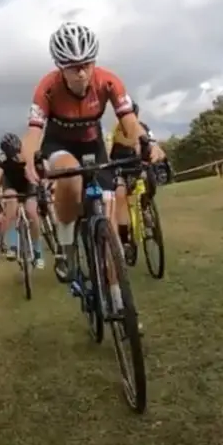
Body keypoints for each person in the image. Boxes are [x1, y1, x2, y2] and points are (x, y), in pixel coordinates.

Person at [20, 21, 166, 295]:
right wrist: (28, 159)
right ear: (60, 67)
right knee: (71, 176)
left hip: (93, 144)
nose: (81, 73)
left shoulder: (108, 81)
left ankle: (118, 301)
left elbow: (129, 122)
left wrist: (146, 142)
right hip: (59, 144)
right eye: (72, 67)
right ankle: (67, 249)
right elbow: (33, 133)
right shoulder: (47, 88)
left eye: (87, 64)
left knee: (108, 224)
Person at [0, 133, 45, 270]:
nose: (17, 156)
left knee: (31, 211)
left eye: (18, 152)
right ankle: (13, 244)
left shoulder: (27, 153)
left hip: (28, 184)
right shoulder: (2, 159)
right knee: (11, 203)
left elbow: (34, 173)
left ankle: (38, 251)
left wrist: (38, 183)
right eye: (12, 154)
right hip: (11, 185)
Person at [110, 103, 156, 264]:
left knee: (150, 181)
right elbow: (108, 155)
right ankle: (125, 239)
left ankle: (146, 207)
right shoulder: (114, 132)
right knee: (120, 195)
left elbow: (151, 145)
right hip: (120, 170)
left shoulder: (143, 128)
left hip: (139, 167)